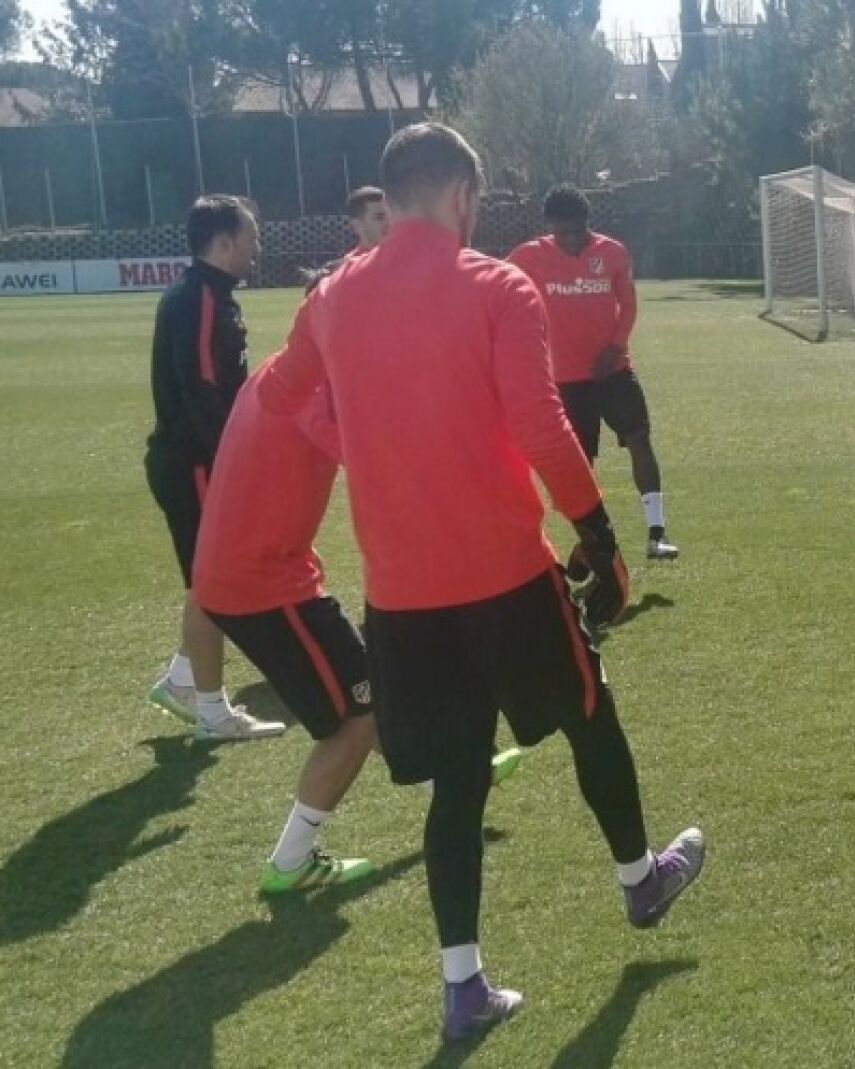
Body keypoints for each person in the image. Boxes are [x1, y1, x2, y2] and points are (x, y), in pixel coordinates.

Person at [255, 123, 704, 1041]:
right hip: (504, 573)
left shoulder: (334, 295)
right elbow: (542, 430)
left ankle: (462, 985)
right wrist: (602, 542)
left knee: (457, 784)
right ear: (462, 192)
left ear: (390, 195)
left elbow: (275, 392)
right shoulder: (497, 283)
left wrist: (363, 435)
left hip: (401, 595)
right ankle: (639, 879)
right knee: (591, 715)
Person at [195, 376, 525, 894]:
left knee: (367, 683)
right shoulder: (316, 388)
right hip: (264, 581)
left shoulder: (279, 371)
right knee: (358, 716)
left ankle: (449, 773)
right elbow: (374, 460)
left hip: (252, 569)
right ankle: (291, 861)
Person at [144, 194, 286, 741]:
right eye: (250, 235)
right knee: (212, 583)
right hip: (198, 464)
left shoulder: (204, 294)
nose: (257, 246)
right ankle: (210, 710)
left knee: (206, 580)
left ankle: (184, 680)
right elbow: (203, 389)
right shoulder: (203, 298)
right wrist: (237, 464)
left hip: (191, 460)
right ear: (224, 242)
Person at [508, 186, 678, 561]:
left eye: (578, 231)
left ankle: (656, 533)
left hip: (614, 372)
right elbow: (498, 294)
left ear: (588, 222)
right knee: (581, 464)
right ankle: (591, 546)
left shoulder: (612, 252)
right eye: (563, 232)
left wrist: (615, 347)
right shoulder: (528, 257)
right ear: (550, 226)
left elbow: (628, 305)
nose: (572, 239)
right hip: (565, 381)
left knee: (639, 439)